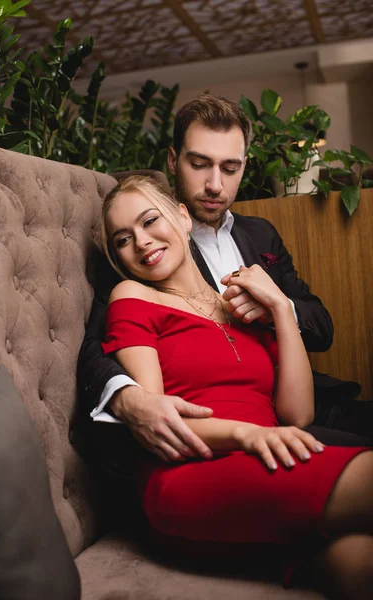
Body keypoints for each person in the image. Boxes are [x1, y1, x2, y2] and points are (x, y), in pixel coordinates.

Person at [99, 174, 372, 598]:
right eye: (122, 239)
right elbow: (160, 422)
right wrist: (245, 434)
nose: (141, 241)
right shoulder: (132, 296)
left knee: (359, 562)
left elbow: (297, 415)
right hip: (189, 471)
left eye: (150, 221)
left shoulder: (239, 299)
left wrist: (280, 307)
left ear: (183, 218)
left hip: (270, 452)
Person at [78, 93, 371, 464]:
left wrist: (277, 310)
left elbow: (321, 327)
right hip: (218, 432)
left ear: (244, 167)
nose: (215, 184)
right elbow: (93, 349)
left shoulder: (261, 235)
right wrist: (130, 399)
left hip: (304, 402)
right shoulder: (142, 251)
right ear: (173, 161)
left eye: (230, 168)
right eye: (199, 164)